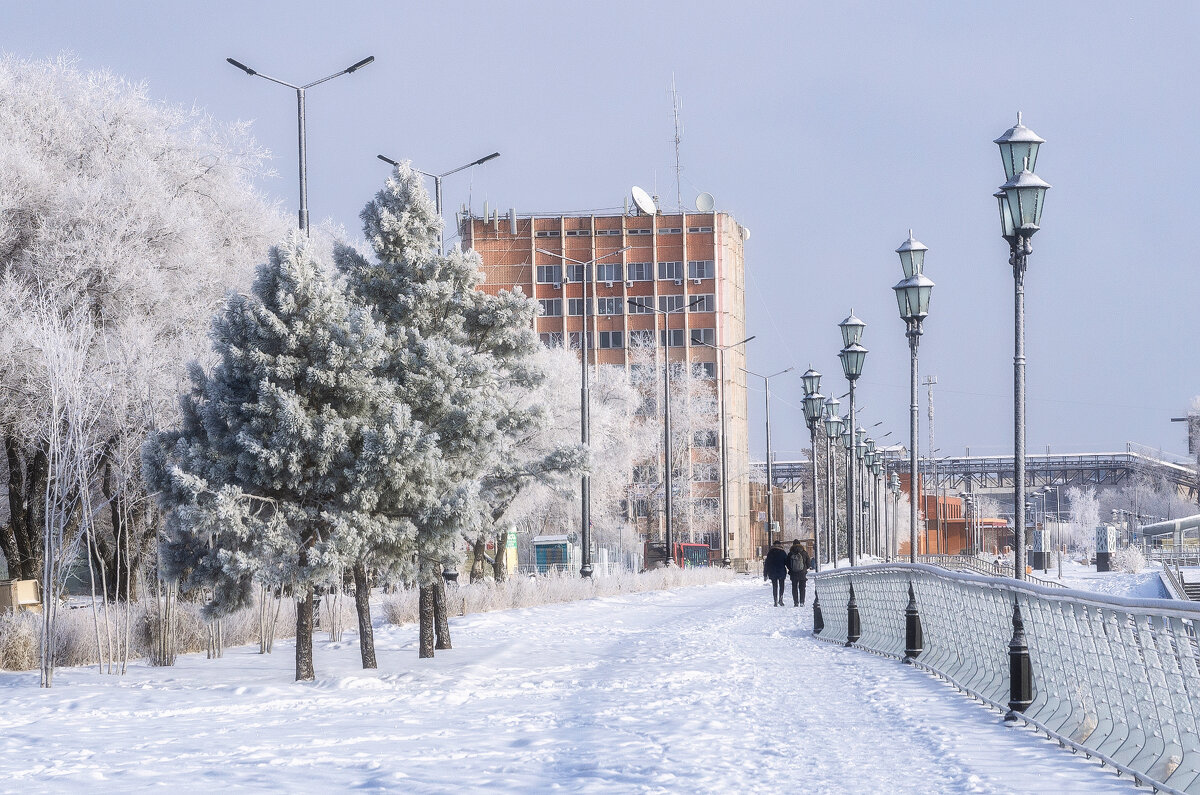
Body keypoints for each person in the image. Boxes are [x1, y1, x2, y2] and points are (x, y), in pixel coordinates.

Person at [763, 540, 789, 606]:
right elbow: (787, 562)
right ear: (780, 545)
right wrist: (791, 570)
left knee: (775, 587)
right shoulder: (782, 552)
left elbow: (767, 564)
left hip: (772, 572)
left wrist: (765, 574)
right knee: (781, 586)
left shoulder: (770, 553)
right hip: (781, 572)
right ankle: (780, 599)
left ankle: (775, 600)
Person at [786, 539, 811, 607]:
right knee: (802, 588)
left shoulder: (790, 553)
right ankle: (802, 602)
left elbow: (787, 563)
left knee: (794, 588)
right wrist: (805, 568)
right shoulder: (804, 552)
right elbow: (809, 563)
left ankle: (796, 602)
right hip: (802, 573)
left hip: (793, 573)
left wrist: (791, 569)